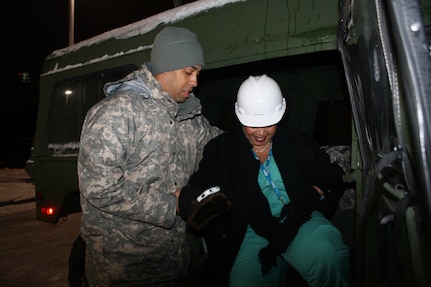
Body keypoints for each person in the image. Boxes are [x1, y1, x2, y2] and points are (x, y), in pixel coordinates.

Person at [77, 26, 223, 286]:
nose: (195, 82)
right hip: (123, 269)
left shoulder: (187, 115)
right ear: (165, 67)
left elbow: (218, 143)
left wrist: (260, 134)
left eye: (198, 73)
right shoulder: (116, 113)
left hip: (173, 262)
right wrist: (173, 204)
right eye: (189, 72)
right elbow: (100, 187)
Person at [179, 74, 351, 286]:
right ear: (239, 115)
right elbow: (201, 181)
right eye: (252, 125)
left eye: (268, 124)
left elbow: (330, 173)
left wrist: (314, 191)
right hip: (250, 229)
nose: (260, 133)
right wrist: (189, 198)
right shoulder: (221, 150)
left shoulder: (299, 142)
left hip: (299, 218)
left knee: (329, 256)